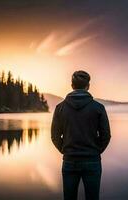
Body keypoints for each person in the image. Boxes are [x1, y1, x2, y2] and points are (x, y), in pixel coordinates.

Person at [51, 70, 111, 200]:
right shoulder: (98, 107)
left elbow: (55, 135)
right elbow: (106, 135)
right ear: (88, 86)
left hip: (70, 160)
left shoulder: (60, 108)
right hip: (92, 160)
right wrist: (96, 150)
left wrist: (64, 150)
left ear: (72, 85)